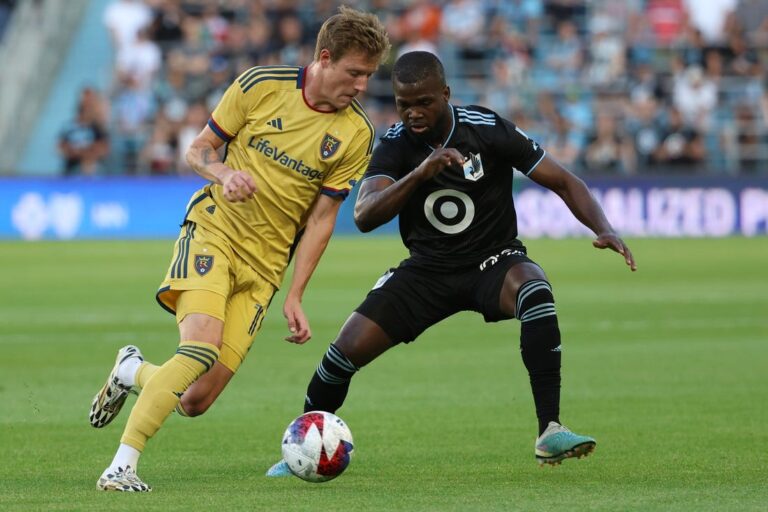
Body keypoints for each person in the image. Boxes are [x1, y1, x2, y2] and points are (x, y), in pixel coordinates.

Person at [267, 51, 636, 477]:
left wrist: (602, 227)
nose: (413, 113)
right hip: (426, 271)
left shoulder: (487, 128)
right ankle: (298, 446)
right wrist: (421, 173)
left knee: (534, 290)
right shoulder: (394, 144)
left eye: (423, 102)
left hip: (492, 262)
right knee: (342, 354)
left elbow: (564, 180)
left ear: (445, 94)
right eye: (404, 104)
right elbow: (364, 216)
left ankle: (549, 429)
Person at [88, 6, 390, 492]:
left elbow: (321, 218)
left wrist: (295, 294)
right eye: (354, 73)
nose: (360, 86)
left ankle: (131, 370)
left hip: (265, 267)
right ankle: (121, 466)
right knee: (199, 349)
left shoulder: (356, 134)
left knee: (195, 399)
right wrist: (225, 174)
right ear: (325, 58)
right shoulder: (260, 85)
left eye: (368, 76)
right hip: (214, 232)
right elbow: (198, 149)